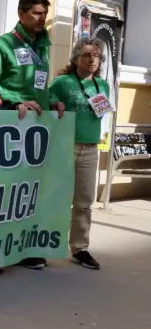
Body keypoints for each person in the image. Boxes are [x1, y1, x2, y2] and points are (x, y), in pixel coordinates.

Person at [0, 0, 65, 270]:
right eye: (36, 13)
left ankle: (29, 245)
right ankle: (1, 247)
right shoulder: (1, 45)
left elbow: (39, 83)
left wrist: (50, 100)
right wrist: (15, 101)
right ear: (21, 14)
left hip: (39, 128)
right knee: (10, 190)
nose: (42, 18)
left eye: (45, 13)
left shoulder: (43, 45)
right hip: (13, 125)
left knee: (35, 189)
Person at [48, 39, 109, 270]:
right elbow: (47, 102)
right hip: (65, 146)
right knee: (57, 198)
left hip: (90, 148)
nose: (92, 59)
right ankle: (45, 246)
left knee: (84, 201)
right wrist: (53, 104)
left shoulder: (102, 85)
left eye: (96, 55)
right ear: (75, 59)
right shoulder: (63, 82)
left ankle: (80, 248)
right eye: (87, 55)